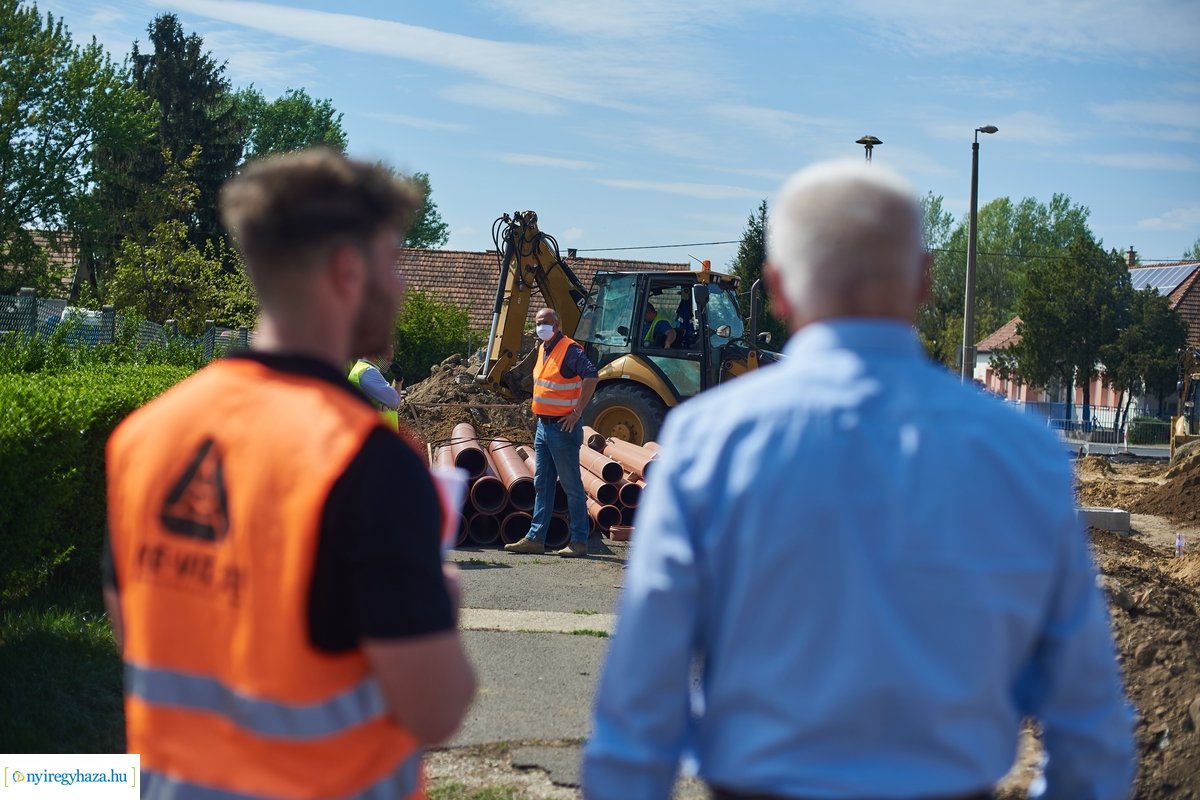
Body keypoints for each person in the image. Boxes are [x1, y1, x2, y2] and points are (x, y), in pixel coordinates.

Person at [583, 160, 1134, 799]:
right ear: (924, 280)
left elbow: (639, 709)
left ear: (780, 286)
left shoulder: (705, 445)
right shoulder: (1024, 452)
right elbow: (1090, 724)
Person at [103, 148, 475, 800]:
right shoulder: (369, 466)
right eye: (394, 260)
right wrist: (439, 604)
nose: (404, 284)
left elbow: (142, 633)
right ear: (346, 270)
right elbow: (436, 710)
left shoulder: (145, 435)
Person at [504, 307, 598, 557]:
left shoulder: (570, 349)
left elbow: (591, 376)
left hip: (562, 428)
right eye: (537, 322)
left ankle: (579, 541)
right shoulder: (542, 349)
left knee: (571, 486)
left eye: (545, 322)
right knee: (542, 484)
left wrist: (576, 413)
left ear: (557, 324)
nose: (540, 326)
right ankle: (536, 538)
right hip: (544, 427)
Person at [350, 341, 402, 430]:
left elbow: (391, 398)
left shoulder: (360, 369)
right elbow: (394, 401)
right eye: (388, 358)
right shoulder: (368, 373)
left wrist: (398, 380)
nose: (389, 363)